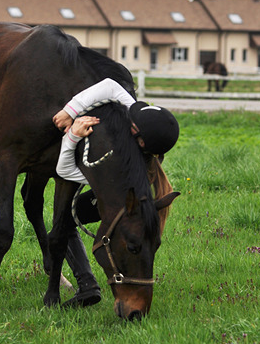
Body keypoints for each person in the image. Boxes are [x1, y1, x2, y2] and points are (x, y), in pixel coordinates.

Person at [53, 78, 180, 308]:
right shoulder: (138, 118)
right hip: (126, 198)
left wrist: (72, 135)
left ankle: (89, 282)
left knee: (68, 218)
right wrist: (71, 110)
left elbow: (65, 171)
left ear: (141, 144)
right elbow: (111, 86)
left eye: (134, 129)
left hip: (123, 200)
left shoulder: (123, 161)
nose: (129, 120)